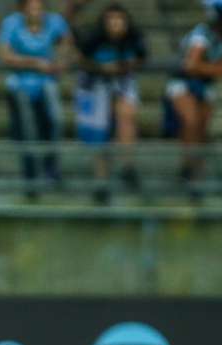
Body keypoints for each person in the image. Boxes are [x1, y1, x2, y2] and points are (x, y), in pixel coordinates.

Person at [69, 2, 147, 204]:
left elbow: (141, 58)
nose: (116, 24)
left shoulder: (134, 39)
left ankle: (128, 166)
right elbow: (80, 58)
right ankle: (101, 180)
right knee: (99, 134)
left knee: (127, 117)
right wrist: (101, 68)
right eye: (111, 20)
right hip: (95, 86)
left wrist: (125, 66)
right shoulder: (94, 40)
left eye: (119, 20)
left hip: (122, 84)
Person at [163, 0, 222, 200]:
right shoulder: (201, 35)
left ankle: (197, 174)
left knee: (202, 129)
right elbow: (191, 65)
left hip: (205, 86)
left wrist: (217, 69)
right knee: (191, 122)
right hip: (183, 83)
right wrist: (216, 69)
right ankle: (188, 169)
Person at [0, 0, 72, 198]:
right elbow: (5, 55)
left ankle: (51, 169)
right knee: (28, 132)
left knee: (56, 122)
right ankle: (30, 178)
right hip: (20, 86)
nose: (35, 10)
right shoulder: (11, 23)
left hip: (47, 85)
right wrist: (35, 63)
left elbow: (66, 43)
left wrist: (60, 62)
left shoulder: (55, 22)